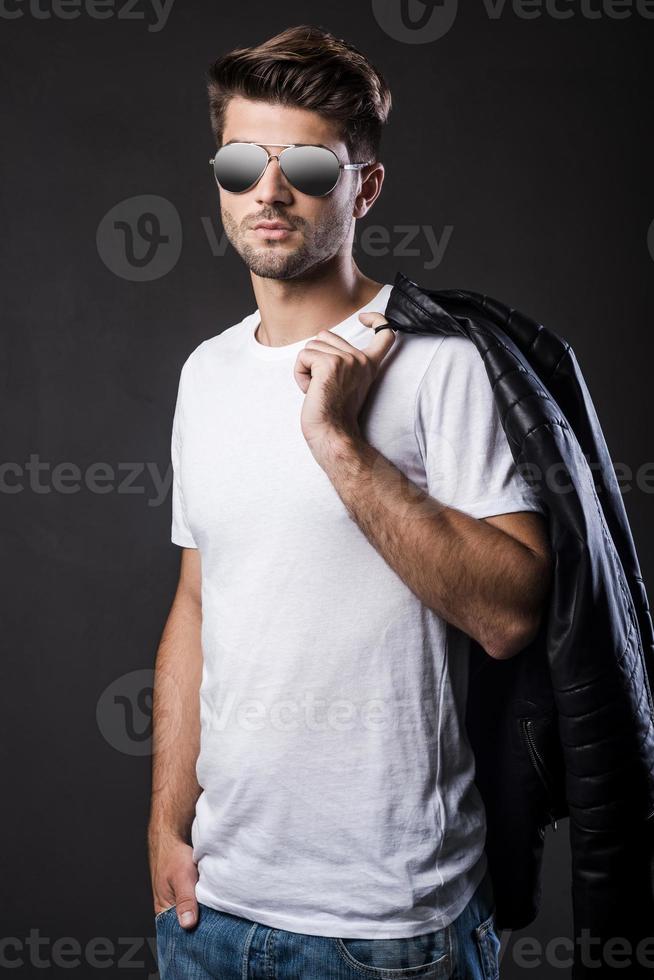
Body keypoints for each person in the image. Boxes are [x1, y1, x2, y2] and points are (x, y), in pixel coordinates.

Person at [148, 24, 553, 980]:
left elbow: (509, 615)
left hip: (388, 924)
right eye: (244, 161)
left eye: (311, 169)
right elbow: (197, 603)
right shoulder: (203, 372)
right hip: (212, 910)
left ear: (364, 186)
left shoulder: (442, 362)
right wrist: (168, 825)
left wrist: (339, 444)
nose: (270, 192)